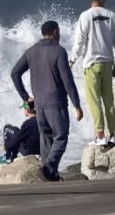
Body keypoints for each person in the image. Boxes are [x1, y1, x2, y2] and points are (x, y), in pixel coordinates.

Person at [11, 21, 84, 181]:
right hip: (56, 103)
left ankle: (50, 175)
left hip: (39, 105)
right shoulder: (59, 51)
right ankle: (48, 167)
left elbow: (14, 73)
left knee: (46, 139)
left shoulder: (31, 51)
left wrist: (26, 98)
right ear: (56, 31)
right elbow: (67, 81)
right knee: (61, 137)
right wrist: (77, 104)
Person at [70, 0, 115, 147]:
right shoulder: (112, 16)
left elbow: (79, 42)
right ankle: (112, 136)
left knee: (94, 101)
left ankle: (100, 135)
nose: (105, 0)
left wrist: (72, 60)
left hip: (91, 64)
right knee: (109, 100)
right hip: (107, 64)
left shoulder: (85, 16)